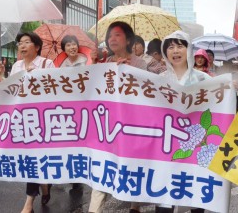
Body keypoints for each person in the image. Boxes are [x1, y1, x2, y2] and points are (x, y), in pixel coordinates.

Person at [89, 21, 146, 213]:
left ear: (128, 39)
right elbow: (94, 90)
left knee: (131, 166)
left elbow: (147, 93)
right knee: (102, 166)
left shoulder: (140, 63)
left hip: (132, 127)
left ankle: (134, 205)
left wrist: (129, 72)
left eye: (117, 35)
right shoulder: (105, 62)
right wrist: (96, 64)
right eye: (110, 35)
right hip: (108, 126)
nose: (112, 39)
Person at [157, 31, 212, 213]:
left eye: (180, 45)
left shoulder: (204, 79)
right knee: (164, 195)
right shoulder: (159, 80)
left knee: (194, 191)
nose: (175, 50)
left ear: (188, 49)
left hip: (194, 144)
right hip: (167, 144)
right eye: (170, 47)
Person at [10, 32, 55, 213]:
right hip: (22, 118)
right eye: (20, 43)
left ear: (36, 47)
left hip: (41, 119)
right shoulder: (16, 66)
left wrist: (34, 79)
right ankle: (45, 185)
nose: (22, 46)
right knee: (29, 158)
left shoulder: (47, 64)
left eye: (27, 42)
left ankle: (29, 203)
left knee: (34, 157)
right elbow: (10, 91)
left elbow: (56, 87)